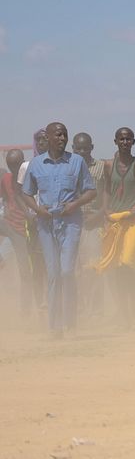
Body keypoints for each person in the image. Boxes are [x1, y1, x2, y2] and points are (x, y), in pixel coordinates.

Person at [20, 122, 97, 339]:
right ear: (49, 138)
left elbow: (91, 191)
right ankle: (55, 327)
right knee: (53, 274)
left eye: (64, 135)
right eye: (58, 135)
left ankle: (71, 323)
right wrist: (36, 209)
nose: (62, 138)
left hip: (70, 222)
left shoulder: (76, 162)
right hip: (45, 224)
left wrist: (74, 205)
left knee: (66, 272)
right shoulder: (36, 164)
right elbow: (26, 193)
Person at [99, 127, 135, 330]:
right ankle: (125, 312)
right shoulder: (108, 165)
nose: (125, 142)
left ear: (133, 142)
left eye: (128, 139)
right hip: (114, 221)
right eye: (121, 139)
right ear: (115, 141)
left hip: (133, 221)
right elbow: (106, 188)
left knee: (127, 264)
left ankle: (134, 310)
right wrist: (104, 209)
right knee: (115, 267)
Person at [1, 148, 40, 323]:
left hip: (22, 231)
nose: (14, 168)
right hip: (8, 225)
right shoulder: (6, 179)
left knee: (26, 272)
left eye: (16, 164)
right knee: (7, 264)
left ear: (23, 162)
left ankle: (26, 310)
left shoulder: (32, 177)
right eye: (11, 165)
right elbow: (6, 197)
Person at [72, 132, 107, 319]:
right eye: (79, 148)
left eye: (86, 148)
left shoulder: (101, 168)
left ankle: (96, 310)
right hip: (73, 223)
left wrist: (100, 214)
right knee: (75, 270)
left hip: (94, 224)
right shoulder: (68, 168)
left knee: (94, 268)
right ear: (73, 149)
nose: (83, 151)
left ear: (92, 148)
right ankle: (78, 309)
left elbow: (108, 196)